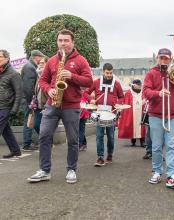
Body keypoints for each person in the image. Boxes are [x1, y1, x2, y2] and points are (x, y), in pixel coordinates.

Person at [27, 29, 93, 183]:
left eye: (66, 40)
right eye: (60, 40)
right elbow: (42, 80)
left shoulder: (81, 60)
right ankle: (44, 170)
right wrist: (49, 89)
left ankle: (71, 169)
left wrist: (72, 76)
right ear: (57, 42)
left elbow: (89, 81)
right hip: (52, 104)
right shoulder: (51, 60)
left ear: (72, 42)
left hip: (71, 105)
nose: (63, 43)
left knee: (72, 139)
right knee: (44, 135)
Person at [143, 48, 174, 188]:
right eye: (161, 58)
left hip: (172, 115)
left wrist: (172, 77)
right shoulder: (151, 73)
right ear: (157, 59)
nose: (163, 60)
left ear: (170, 59)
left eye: (166, 58)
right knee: (156, 146)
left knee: (171, 146)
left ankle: (171, 175)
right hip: (156, 115)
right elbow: (146, 92)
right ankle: (156, 171)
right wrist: (158, 93)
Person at [84, 63, 124, 166]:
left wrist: (119, 103)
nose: (109, 75)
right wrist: (91, 99)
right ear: (103, 71)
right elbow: (85, 93)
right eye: (107, 73)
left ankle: (110, 154)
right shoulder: (96, 82)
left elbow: (121, 97)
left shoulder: (117, 84)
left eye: (111, 73)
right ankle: (100, 157)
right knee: (99, 136)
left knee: (111, 137)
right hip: (99, 113)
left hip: (111, 113)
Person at [21, 49, 45, 151]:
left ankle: (27, 142)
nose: (42, 59)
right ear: (36, 57)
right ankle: (27, 144)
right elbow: (28, 87)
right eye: (41, 57)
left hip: (28, 99)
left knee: (30, 120)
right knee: (29, 120)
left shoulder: (30, 66)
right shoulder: (30, 68)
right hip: (28, 100)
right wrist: (32, 102)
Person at [0, 49, 22, 158]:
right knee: (5, 130)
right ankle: (16, 150)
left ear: (7, 59)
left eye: (0, 57)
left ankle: (15, 150)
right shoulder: (1, 72)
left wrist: (14, 109)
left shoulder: (14, 74)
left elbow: (19, 93)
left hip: (6, 106)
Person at [118, 79, 145, 147]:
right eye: (137, 85)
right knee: (131, 125)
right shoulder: (128, 93)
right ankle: (133, 141)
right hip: (132, 112)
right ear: (134, 85)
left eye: (140, 85)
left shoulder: (143, 92)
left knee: (141, 126)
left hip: (141, 112)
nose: (139, 86)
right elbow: (126, 103)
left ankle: (142, 141)